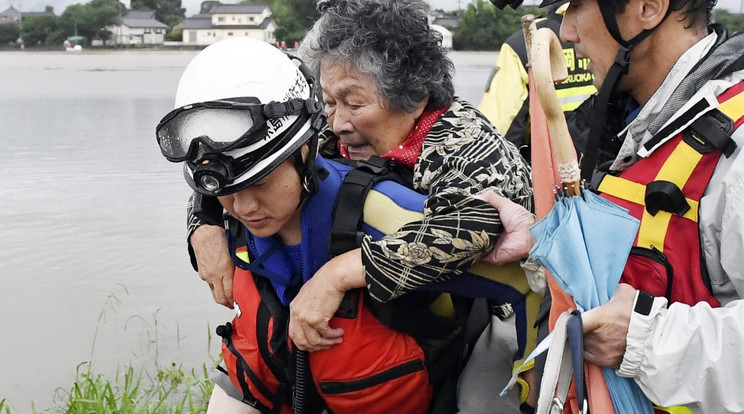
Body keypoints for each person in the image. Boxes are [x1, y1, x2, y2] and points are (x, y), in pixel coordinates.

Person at [181, 0, 537, 412]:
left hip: (494, 309)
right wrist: (203, 220)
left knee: (482, 402)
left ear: (414, 93)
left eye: (354, 102)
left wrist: (337, 276)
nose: (337, 123)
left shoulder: (471, 146)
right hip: (375, 325)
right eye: (329, 103)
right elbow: (247, 157)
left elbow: (469, 231)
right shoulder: (342, 136)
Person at [491, 0, 744, 410]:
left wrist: (645, 339)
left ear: (648, 8)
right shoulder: (625, 120)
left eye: (574, 7)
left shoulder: (736, 147)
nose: (567, 31)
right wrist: (543, 237)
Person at [479, 1, 595, 161]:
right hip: (611, 169)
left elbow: (496, 135)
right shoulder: (617, 35)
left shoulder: (520, 45)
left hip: (547, 172)